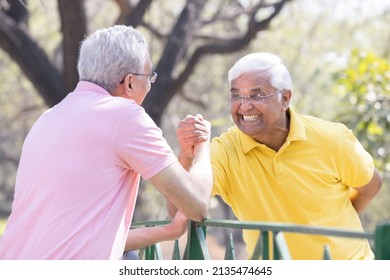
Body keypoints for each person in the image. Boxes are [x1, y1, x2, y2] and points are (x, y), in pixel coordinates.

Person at [0, 25, 212, 260]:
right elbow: (198, 205)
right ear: (130, 82)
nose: (150, 86)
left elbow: (75, 237)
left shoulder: (48, 118)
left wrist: (164, 232)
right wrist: (203, 143)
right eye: (149, 77)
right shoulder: (124, 115)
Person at [176, 52, 382, 260]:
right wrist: (187, 154)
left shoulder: (332, 137)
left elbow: (370, 185)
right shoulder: (225, 151)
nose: (245, 106)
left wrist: (329, 227)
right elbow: (179, 208)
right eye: (236, 95)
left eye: (256, 95)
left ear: (285, 98)